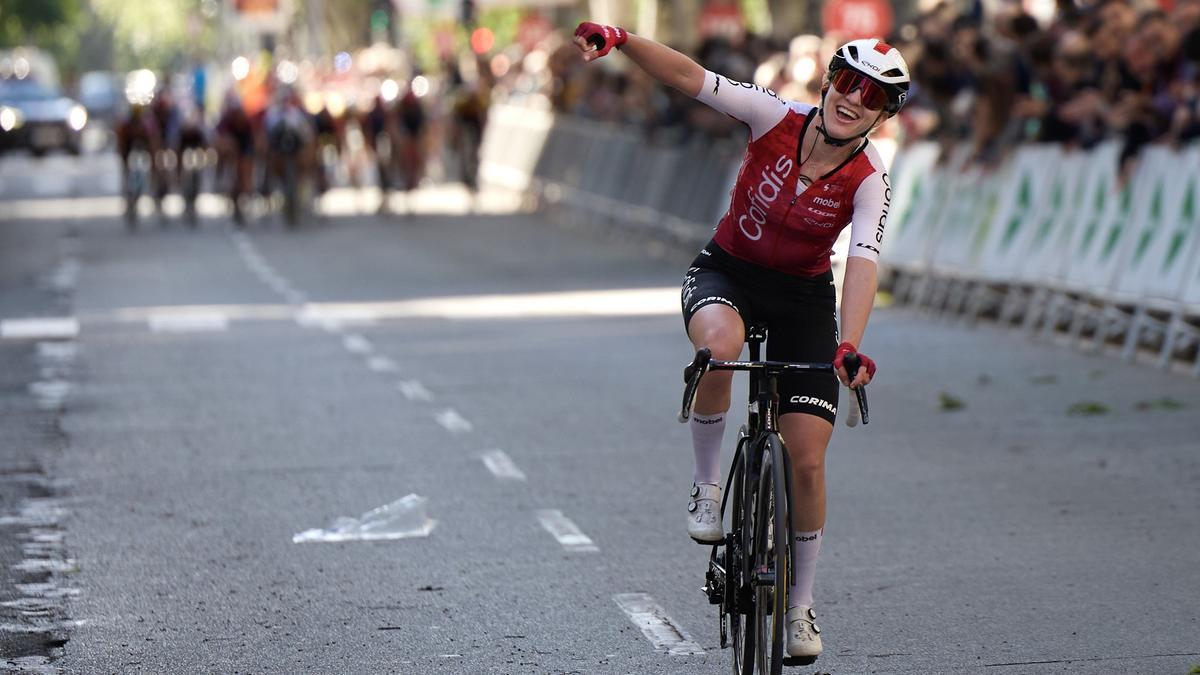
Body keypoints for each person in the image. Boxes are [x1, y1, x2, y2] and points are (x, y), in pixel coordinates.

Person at [573, 22, 906, 662]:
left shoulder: (869, 177)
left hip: (802, 297)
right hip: (727, 270)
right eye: (847, 81)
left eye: (871, 96)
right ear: (829, 81)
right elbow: (687, 77)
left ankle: (801, 606)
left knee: (807, 455)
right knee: (720, 348)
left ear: (882, 115)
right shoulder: (773, 116)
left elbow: (862, 260)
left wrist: (850, 343)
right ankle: (707, 486)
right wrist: (621, 38)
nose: (852, 99)